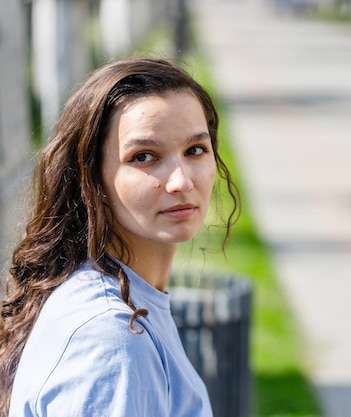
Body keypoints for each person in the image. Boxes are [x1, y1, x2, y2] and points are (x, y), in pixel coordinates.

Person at [0, 57, 239, 417]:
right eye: (144, 156)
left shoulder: (127, 300)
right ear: (92, 180)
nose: (182, 182)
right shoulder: (111, 339)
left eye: (195, 150)